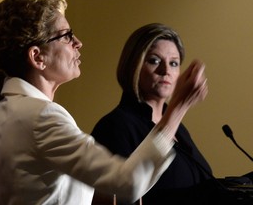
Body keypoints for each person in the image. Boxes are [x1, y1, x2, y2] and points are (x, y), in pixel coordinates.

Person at [0, 0, 208, 205]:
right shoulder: (42, 117)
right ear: (38, 57)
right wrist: (177, 108)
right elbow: (130, 183)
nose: (78, 43)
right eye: (66, 36)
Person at [91, 23, 212, 204]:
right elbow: (121, 195)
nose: (166, 71)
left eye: (174, 63)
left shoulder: (180, 130)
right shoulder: (114, 126)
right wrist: (180, 107)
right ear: (133, 66)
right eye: (154, 60)